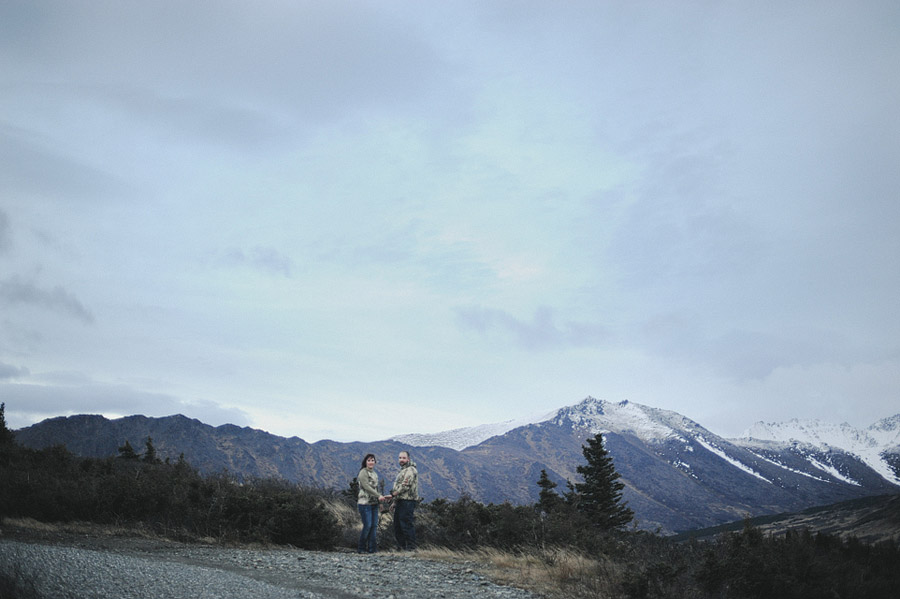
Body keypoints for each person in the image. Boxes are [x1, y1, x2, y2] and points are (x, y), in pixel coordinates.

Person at [386, 450, 418, 550]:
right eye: (400, 458)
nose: (401, 460)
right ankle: (401, 547)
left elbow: (405, 486)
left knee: (406, 524)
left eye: (404, 458)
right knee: (398, 525)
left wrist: (393, 495)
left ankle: (411, 547)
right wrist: (395, 501)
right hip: (401, 500)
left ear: (408, 459)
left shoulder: (411, 470)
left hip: (408, 501)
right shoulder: (403, 470)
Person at [356, 453, 382, 553]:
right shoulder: (363, 472)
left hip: (374, 503)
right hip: (364, 502)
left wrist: (379, 501)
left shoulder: (375, 474)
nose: (371, 462)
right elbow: (366, 486)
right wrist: (379, 495)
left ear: (375, 462)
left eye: (372, 460)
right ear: (365, 462)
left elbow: (376, 488)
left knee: (374, 526)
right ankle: (361, 548)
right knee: (367, 525)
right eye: (369, 460)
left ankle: (372, 549)